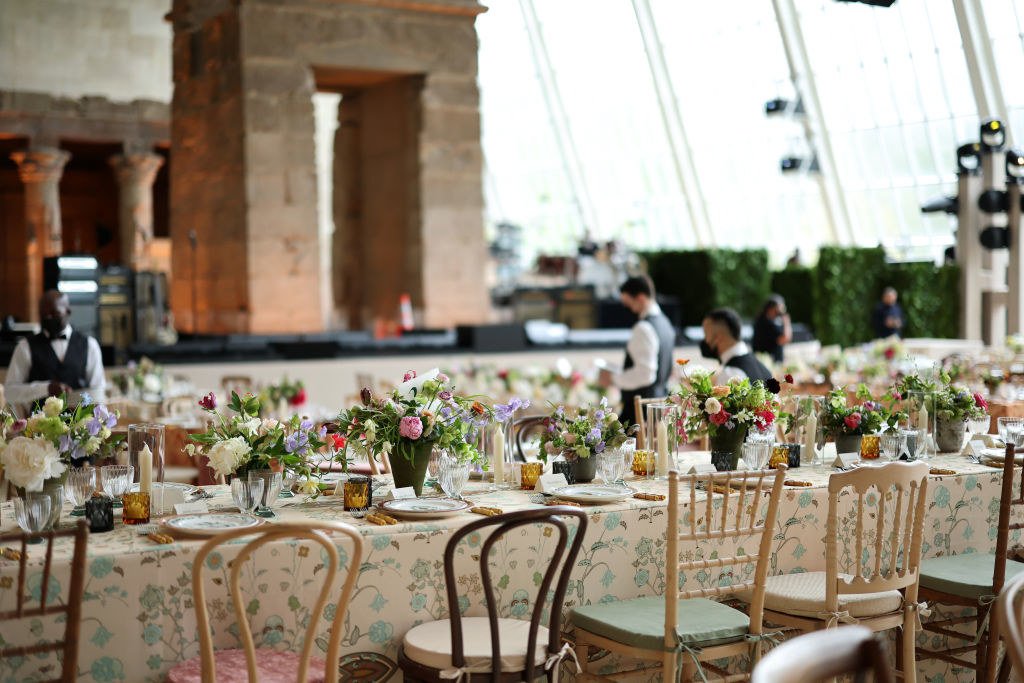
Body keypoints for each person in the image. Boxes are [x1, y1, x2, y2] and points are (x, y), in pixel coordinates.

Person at [4, 290, 106, 412]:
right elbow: (10, 392)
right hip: (39, 427)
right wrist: (46, 388)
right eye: (44, 314)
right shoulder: (25, 346)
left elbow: (98, 392)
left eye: (54, 314)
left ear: (68, 312)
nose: (48, 318)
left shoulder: (90, 345)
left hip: (80, 427)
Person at [598, 275, 675, 428]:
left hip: (641, 413)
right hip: (659, 406)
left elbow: (645, 374)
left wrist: (613, 378)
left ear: (640, 297)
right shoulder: (665, 322)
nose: (628, 309)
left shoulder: (644, 327)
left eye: (628, 303)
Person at [701, 307, 772, 384]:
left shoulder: (730, 375)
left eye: (706, 335)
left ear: (718, 337)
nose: (705, 340)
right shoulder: (764, 369)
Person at [751, 295, 792, 364]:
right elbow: (784, 339)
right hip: (769, 362)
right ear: (772, 308)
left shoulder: (764, 320)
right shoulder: (766, 323)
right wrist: (787, 323)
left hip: (767, 361)